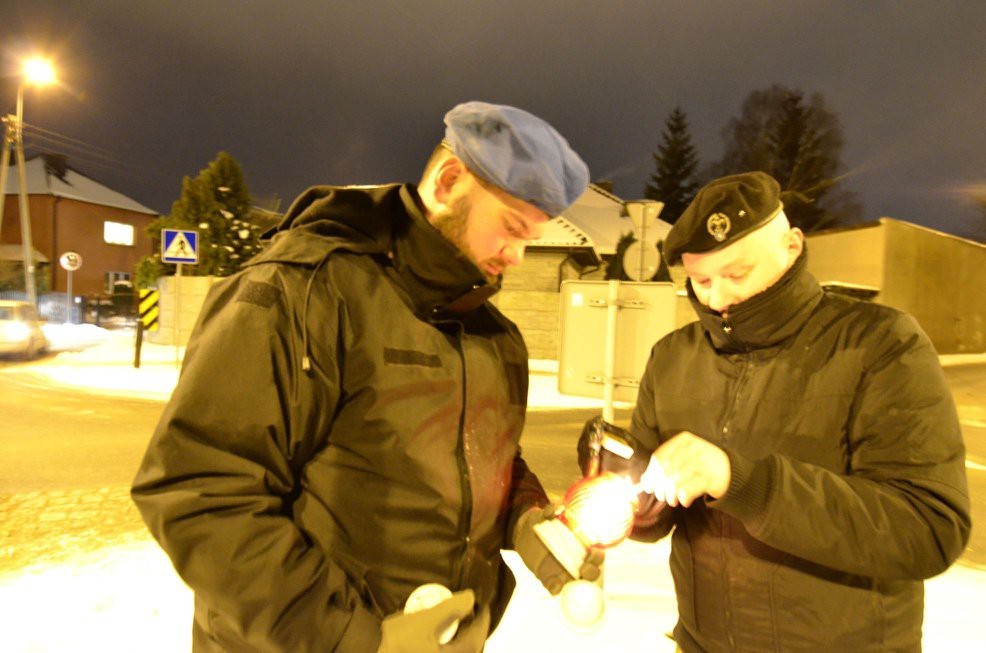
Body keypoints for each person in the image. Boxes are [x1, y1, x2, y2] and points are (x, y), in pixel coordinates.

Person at [131, 101, 598, 652]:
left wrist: (527, 519)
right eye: (512, 227)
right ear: (448, 181)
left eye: (531, 239)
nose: (517, 255)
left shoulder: (495, 336)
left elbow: (485, 456)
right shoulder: (302, 291)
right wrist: (355, 640)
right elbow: (201, 490)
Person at [582, 171, 971, 651]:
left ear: (792, 245)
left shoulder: (881, 344)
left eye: (736, 274)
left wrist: (746, 484)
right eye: (701, 280)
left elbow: (928, 529)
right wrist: (625, 483)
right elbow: (653, 517)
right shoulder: (672, 356)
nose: (717, 298)